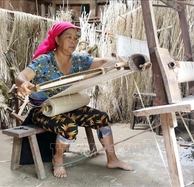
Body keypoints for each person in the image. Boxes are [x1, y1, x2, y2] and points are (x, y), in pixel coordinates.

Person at [15, 21, 133, 178]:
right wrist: (23, 84)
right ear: (57, 39)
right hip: (44, 110)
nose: (73, 41)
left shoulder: (79, 60)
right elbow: (21, 76)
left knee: (102, 118)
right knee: (69, 127)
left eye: (76, 38)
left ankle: (112, 159)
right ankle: (58, 160)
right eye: (68, 37)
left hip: (68, 105)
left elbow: (104, 62)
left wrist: (117, 64)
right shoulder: (44, 61)